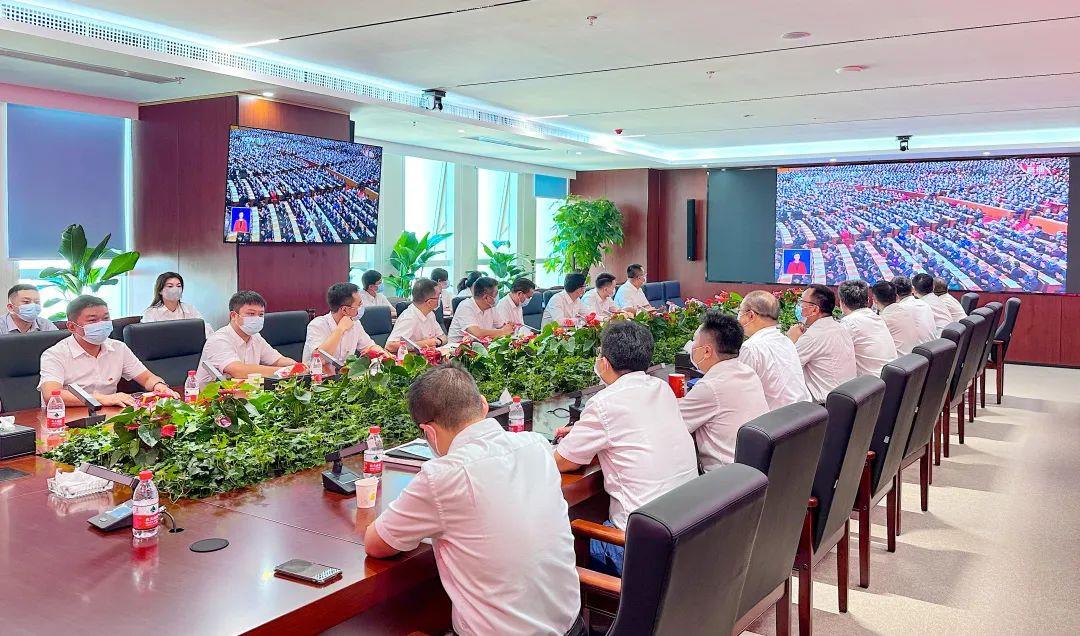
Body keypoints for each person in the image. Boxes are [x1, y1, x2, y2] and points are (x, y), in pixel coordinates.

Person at [364, 365, 581, 636]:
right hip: (574, 628)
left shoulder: (442, 477)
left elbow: (376, 543)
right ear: (483, 404)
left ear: (429, 432)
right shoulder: (537, 445)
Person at [554, 321, 697, 575]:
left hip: (638, 550)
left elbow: (563, 461)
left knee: (561, 546)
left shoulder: (604, 403)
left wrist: (584, 436)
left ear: (604, 363)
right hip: (686, 536)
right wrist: (586, 432)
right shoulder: (662, 388)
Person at [39, 295, 178, 407]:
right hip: (65, 419)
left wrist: (159, 385)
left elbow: (147, 378)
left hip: (109, 416)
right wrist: (103, 399)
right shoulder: (54, 354)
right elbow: (51, 394)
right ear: (71, 327)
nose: (102, 324)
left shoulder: (118, 348)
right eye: (92, 320)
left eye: (106, 318)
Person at [679, 310, 769, 472]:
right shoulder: (748, 372)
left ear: (707, 351)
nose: (692, 348)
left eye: (694, 343)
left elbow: (675, 423)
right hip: (755, 471)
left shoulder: (710, 386)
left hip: (726, 478)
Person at [195, 291, 295, 387]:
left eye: (261, 314)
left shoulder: (256, 337)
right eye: (251, 314)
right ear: (234, 316)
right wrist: (286, 371)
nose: (257, 318)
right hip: (208, 395)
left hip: (244, 392)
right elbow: (238, 371)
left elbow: (277, 360)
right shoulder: (218, 340)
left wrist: (296, 366)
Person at [737, 290, 813, 409]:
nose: (738, 317)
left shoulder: (751, 348)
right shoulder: (786, 341)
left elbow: (740, 393)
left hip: (776, 418)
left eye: (740, 311)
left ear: (750, 315)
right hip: (803, 413)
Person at [787, 284, 857, 402]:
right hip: (844, 398)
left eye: (802, 302)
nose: (799, 307)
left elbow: (786, 367)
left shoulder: (813, 336)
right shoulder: (839, 327)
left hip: (825, 405)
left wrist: (791, 340)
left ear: (815, 309)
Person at [302, 282, 385, 366]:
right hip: (317, 373)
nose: (361, 308)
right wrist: (340, 329)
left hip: (344, 372)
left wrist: (383, 353)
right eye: (359, 304)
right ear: (344, 310)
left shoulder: (355, 323)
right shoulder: (317, 325)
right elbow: (320, 358)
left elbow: (368, 347)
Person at [837, 280, 898, 378]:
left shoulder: (848, 322)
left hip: (871, 383)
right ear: (868, 300)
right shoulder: (876, 317)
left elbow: (837, 357)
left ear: (842, 303)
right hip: (890, 377)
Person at [141, 272, 213, 338]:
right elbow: (146, 337)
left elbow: (206, 328)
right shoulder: (151, 312)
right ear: (160, 290)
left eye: (178, 286)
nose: (175, 289)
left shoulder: (189, 308)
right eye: (170, 286)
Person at [387, 278, 448, 353]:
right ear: (429, 302)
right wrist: (427, 343)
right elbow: (390, 346)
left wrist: (437, 341)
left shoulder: (430, 314)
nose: (440, 300)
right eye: (438, 297)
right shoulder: (409, 317)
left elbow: (444, 337)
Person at [872, 280, 934, 355]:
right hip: (917, 357)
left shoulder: (882, 321)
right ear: (897, 297)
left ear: (875, 300)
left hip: (901, 360)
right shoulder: (908, 311)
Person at [449, 277, 515, 343]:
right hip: (457, 347)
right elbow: (477, 333)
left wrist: (508, 327)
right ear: (486, 297)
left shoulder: (491, 307)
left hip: (480, 345)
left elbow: (502, 326)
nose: (498, 296)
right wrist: (502, 331)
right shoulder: (465, 306)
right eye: (496, 294)